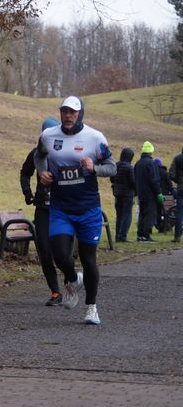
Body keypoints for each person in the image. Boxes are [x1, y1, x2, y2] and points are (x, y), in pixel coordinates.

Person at [34, 96, 116, 325]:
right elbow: (38, 156)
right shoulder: (49, 136)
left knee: (89, 260)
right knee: (59, 254)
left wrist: (94, 168)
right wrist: (42, 172)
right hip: (61, 207)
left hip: (88, 208)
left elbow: (112, 167)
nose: (68, 116)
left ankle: (92, 308)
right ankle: (71, 279)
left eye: (73, 112)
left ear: (80, 114)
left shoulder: (95, 137)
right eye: (64, 111)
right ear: (60, 113)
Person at [20, 116, 63, 306]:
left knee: (62, 253)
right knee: (44, 252)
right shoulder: (35, 154)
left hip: (63, 208)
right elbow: (24, 172)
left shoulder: (65, 154)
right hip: (42, 208)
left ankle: (70, 282)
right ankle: (55, 292)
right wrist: (28, 193)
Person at [134, 141, 163, 242]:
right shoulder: (151, 163)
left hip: (140, 194)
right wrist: (159, 192)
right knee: (149, 214)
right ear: (151, 152)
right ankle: (146, 235)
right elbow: (154, 180)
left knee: (142, 214)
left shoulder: (138, 163)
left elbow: (135, 179)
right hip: (150, 194)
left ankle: (140, 235)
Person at [110, 148, 136, 242]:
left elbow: (112, 179)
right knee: (127, 215)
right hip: (127, 194)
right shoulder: (130, 167)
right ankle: (123, 236)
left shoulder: (115, 165)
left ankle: (117, 236)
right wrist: (135, 190)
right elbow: (133, 182)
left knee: (119, 215)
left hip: (117, 194)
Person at [154, 158, 174, 232]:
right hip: (165, 195)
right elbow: (169, 184)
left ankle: (159, 226)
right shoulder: (165, 172)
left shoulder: (154, 172)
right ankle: (166, 227)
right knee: (166, 212)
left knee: (157, 212)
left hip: (156, 195)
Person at [169, 147, 183, 242]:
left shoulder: (177, 158)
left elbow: (172, 174)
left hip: (181, 188)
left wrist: (178, 181)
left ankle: (177, 236)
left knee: (179, 213)